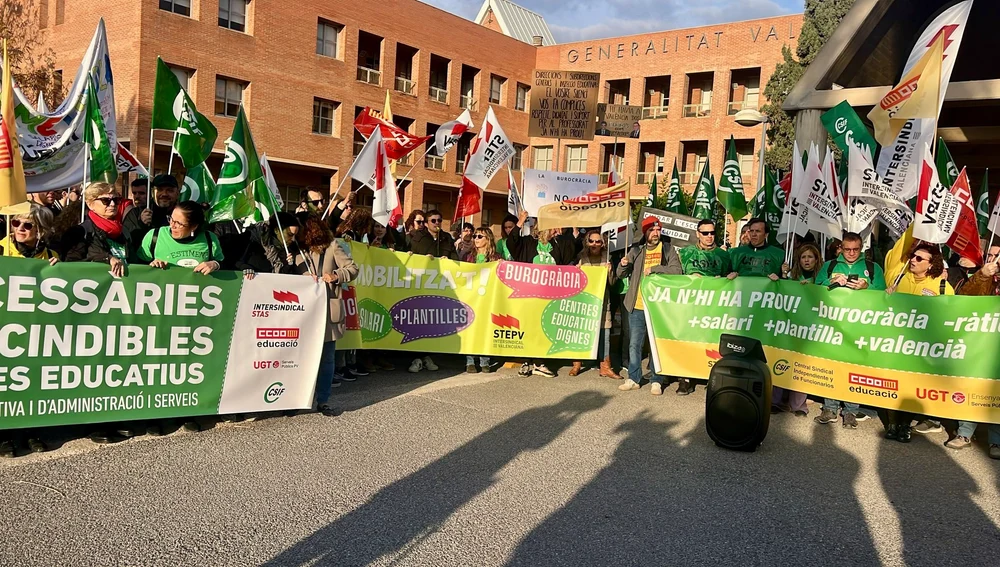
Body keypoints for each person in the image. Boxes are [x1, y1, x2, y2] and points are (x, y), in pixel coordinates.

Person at [809, 232, 888, 428]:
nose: (851, 253)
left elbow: (883, 293)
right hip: (834, 324)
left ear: (861, 249)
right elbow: (816, 287)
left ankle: (851, 410)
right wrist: (833, 282)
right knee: (832, 365)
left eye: (855, 249)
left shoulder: (872, 267)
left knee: (854, 368)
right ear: (840, 249)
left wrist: (866, 286)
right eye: (847, 249)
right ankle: (830, 408)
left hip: (859, 326)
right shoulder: (830, 266)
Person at [880, 240, 953, 443]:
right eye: (913, 256)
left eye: (919, 258)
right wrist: (887, 296)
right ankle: (892, 424)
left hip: (921, 346)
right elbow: (885, 306)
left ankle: (905, 426)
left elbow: (951, 314)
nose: (913, 260)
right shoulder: (900, 277)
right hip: (896, 342)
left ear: (931, 264)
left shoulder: (940, 285)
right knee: (893, 384)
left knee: (911, 386)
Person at [292, 214, 359, 416]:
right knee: (299, 357)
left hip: (328, 310)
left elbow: (353, 268)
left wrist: (336, 276)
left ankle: (323, 400)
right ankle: (298, 399)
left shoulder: (332, 246)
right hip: (302, 310)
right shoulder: (294, 248)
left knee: (327, 358)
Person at [616, 217, 683, 395]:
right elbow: (621, 274)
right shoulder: (637, 250)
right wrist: (622, 264)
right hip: (637, 304)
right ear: (645, 233)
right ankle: (634, 378)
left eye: (658, 230)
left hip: (658, 307)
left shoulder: (668, 249)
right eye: (652, 230)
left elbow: (677, 271)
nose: (656, 233)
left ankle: (656, 380)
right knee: (634, 344)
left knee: (655, 344)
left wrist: (655, 269)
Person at [507, 210, 576, 378]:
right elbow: (512, 243)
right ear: (544, 229)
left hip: (549, 296)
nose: (555, 232)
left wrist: (572, 228)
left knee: (543, 328)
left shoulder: (558, 244)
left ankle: (539, 362)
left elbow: (569, 256)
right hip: (529, 294)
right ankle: (526, 362)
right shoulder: (529, 243)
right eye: (552, 229)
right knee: (528, 327)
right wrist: (521, 221)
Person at [950, 245, 1000, 458]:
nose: (993, 258)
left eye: (997, 255)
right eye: (990, 254)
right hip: (980, 342)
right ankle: (964, 434)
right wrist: (982, 276)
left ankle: (996, 442)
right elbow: (966, 298)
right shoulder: (980, 275)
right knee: (972, 385)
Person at [571, 229, 621, 379]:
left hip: (602, 302)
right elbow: (573, 282)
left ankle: (605, 366)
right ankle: (577, 364)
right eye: (591, 241)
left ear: (602, 243)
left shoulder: (607, 258)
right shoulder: (581, 257)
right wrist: (576, 271)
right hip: (584, 302)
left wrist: (611, 271)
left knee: (604, 334)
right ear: (587, 242)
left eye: (597, 241)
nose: (594, 244)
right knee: (580, 333)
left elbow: (612, 283)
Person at [65, 182, 136, 276]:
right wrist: (106, 258)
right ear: (90, 204)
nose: (112, 204)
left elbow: (135, 262)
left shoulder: (124, 231)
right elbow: (70, 266)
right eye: (105, 200)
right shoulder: (81, 231)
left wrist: (153, 265)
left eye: (116, 199)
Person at [138, 201, 225, 275]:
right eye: (171, 219)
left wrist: (215, 264)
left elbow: (224, 264)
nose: (172, 226)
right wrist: (152, 265)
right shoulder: (155, 236)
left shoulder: (209, 239)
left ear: (194, 226)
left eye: (179, 224)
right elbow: (136, 266)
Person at [461, 227, 500, 373]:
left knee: (485, 330)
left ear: (487, 239)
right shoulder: (467, 256)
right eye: (475, 236)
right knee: (470, 329)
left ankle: (485, 361)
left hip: (488, 299)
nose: (476, 239)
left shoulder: (496, 258)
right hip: (471, 297)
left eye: (480, 236)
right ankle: (470, 361)